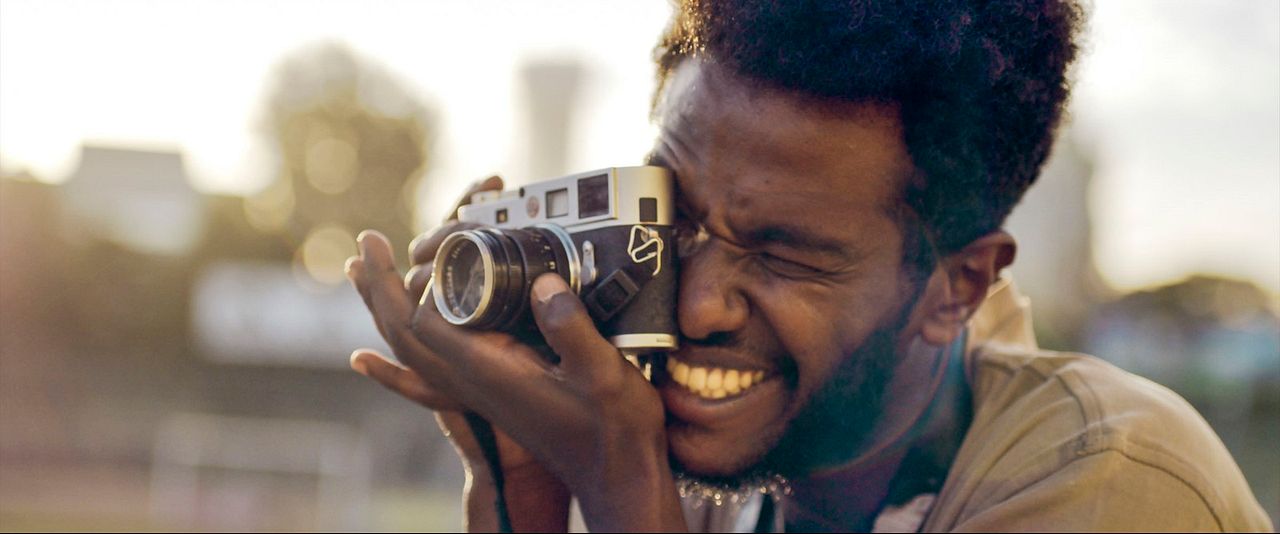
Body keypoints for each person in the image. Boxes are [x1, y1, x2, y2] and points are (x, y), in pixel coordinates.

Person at [344, 0, 1274, 531]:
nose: (698, 301)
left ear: (957, 288)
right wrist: (528, 483)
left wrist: (623, 491)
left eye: (787, 253)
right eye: (677, 212)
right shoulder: (734, 477)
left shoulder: (1112, 479)